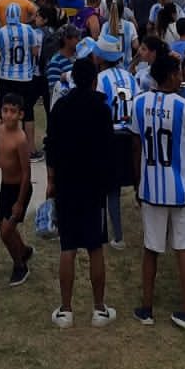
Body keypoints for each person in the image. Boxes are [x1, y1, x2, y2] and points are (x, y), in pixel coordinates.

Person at [129, 54, 185, 328]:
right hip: (181, 189)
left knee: (151, 248)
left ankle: (147, 308)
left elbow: (136, 145)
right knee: (183, 249)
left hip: (151, 188)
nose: (181, 77)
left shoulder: (138, 104)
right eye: (177, 73)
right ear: (170, 76)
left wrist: (138, 182)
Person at [44, 56, 117, 328]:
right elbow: (108, 147)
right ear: (95, 79)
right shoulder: (101, 109)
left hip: (66, 182)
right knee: (96, 246)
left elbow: (50, 145)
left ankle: (66, 309)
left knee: (68, 245)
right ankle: (99, 308)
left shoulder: (61, 107)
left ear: (73, 78)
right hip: (93, 184)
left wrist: (51, 179)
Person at [0, 92, 33, 286]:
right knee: (3, 228)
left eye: (13, 112)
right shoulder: (0, 131)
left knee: (5, 232)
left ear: (21, 115)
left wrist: (19, 202)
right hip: (5, 186)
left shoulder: (20, 139)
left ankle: (20, 266)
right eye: (5, 111)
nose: (8, 115)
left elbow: (27, 173)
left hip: (20, 189)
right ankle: (24, 250)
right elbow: (1, 157)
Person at [93, 33, 138, 250]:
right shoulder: (130, 76)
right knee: (134, 184)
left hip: (110, 136)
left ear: (101, 58)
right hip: (129, 135)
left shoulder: (101, 79)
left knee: (110, 189)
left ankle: (117, 236)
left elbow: (99, 109)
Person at [0, 3, 41, 155]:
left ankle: (4, 147)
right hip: (25, 77)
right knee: (28, 113)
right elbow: (34, 52)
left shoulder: (1, 32)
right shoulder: (29, 30)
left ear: (6, 16)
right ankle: (31, 149)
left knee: (4, 113)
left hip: (7, 76)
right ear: (20, 15)